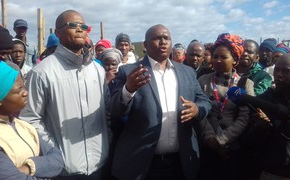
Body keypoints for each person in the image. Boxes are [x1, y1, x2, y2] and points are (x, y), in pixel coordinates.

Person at [110, 24, 211, 180]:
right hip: (144, 164)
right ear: (145, 45)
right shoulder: (129, 71)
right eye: (157, 38)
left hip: (182, 162)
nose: (163, 42)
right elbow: (115, 110)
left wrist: (197, 109)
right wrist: (128, 90)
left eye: (166, 38)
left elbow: (205, 101)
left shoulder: (188, 72)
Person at [19, 10, 110, 179]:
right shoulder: (42, 72)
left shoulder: (97, 70)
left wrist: (107, 142)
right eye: (72, 25)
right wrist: (55, 151)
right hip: (64, 171)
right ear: (58, 33)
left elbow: (106, 112)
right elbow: (29, 118)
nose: (79, 29)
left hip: (100, 165)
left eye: (83, 26)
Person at [0, 59, 64, 179]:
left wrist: (29, 167)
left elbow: (57, 159)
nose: (26, 93)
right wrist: (44, 170)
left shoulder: (24, 126)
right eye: (19, 90)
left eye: (23, 86)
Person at [197, 33, 255, 180]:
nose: (217, 60)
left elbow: (244, 117)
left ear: (235, 59)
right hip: (207, 145)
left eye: (223, 57)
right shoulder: (203, 81)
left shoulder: (245, 84)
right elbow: (200, 112)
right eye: (215, 56)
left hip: (233, 148)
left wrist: (221, 140)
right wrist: (211, 139)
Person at [249, 53, 290, 180]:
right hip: (273, 172)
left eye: (286, 71)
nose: (279, 75)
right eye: (277, 69)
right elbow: (249, 142)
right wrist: (261, 127)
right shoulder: (263, 101)